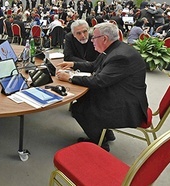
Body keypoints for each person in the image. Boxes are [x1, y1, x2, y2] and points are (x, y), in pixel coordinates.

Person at [56, 22, 148, 151]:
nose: (91, 40)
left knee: (79, 108)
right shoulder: (114, 48)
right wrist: (72, 64)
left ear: (104, 39)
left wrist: (70, 78)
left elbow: (98, 81)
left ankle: (100, 144)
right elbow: (94, 65)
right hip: (122, 92)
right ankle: (105, 134)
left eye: (94, 37)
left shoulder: (120, 56)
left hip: (128, 105)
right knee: (84, 98)